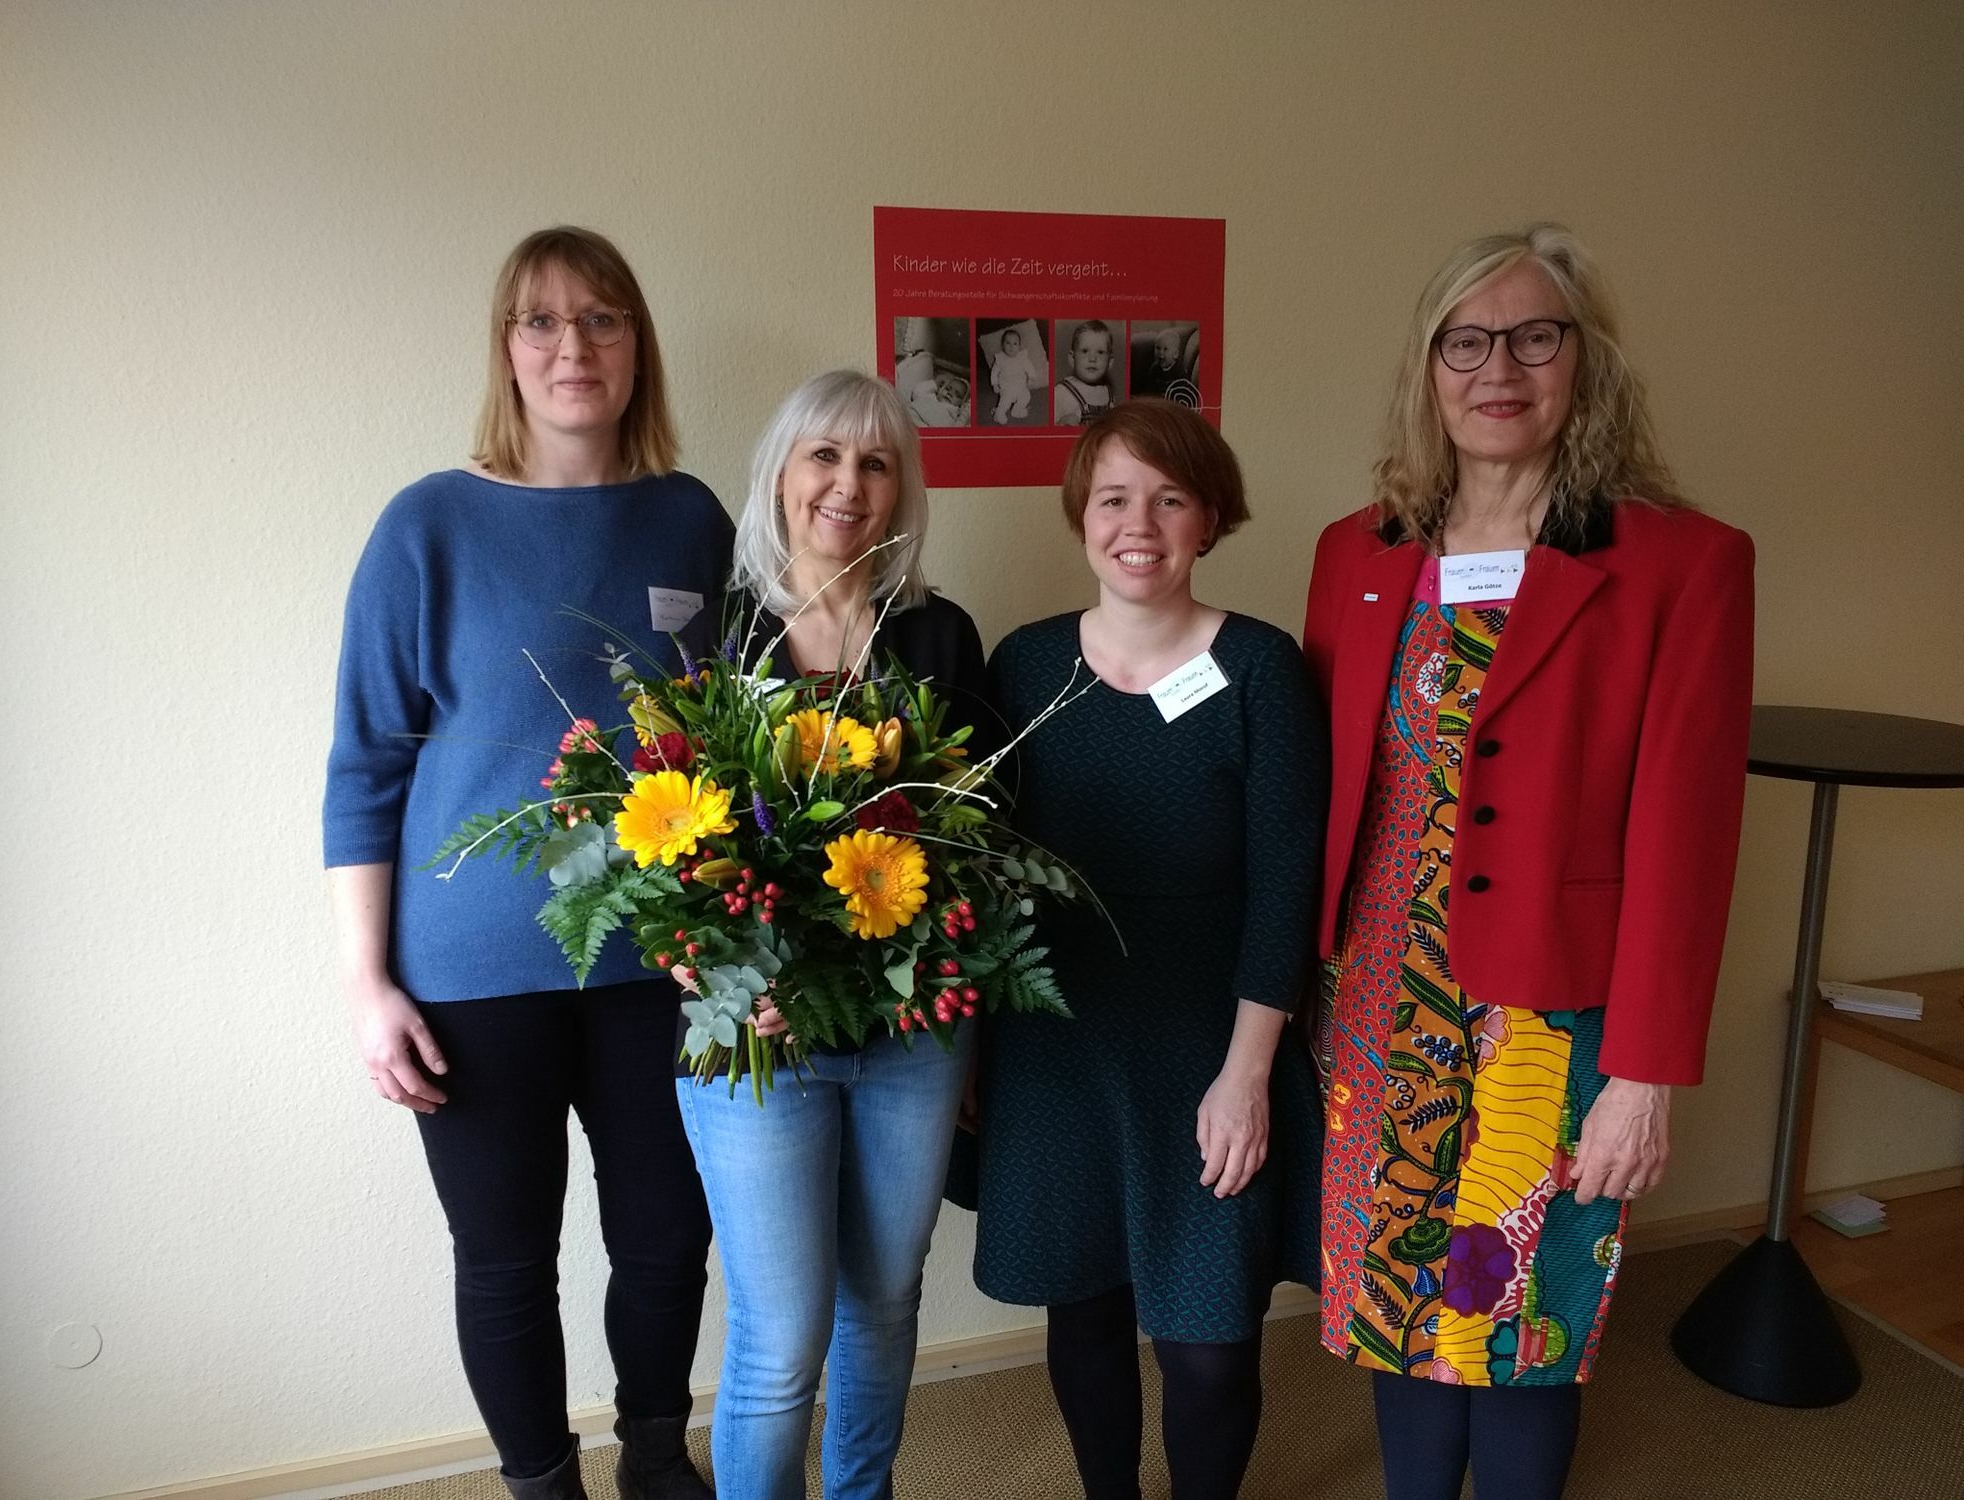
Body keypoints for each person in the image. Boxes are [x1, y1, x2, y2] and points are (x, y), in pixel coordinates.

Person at [1303, 223, 1754, 1500]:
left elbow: (1688, 841)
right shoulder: (1357, 552)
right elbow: (1321, 798)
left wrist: (1642, 1076)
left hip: (1552, 1027)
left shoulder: (1680, 564)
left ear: (1584, 362)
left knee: (1517, 1324)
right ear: (1427, 368)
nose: (1497, 369)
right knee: (1393, 1305)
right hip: (1377, 1009)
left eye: (1533, 337)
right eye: (1465, 342)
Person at [324, 226, 731, 1500]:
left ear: (636, 345)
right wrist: (367, 984)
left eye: (602, 319)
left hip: (663, 959)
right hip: (472, 973)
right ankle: (540, 1484)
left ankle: (654, 1457)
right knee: (504, 1262)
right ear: (506, 348)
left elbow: (734, 736)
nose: (573, 347)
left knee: (667, 1242)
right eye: (542, 321)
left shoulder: (689, 518)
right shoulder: (426, 526)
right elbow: (364, 764)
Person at [973, 399, 1328, 1499]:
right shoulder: (1023, 664)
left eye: (1170, 499)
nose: (1139, 524)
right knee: (1083, 1310)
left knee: (1207, 1343)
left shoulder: (1262, 668)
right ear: (1081, 515)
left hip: (1209, 1045)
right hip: (1055, 1040)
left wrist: (1247, 1076)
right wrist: (974, 1052)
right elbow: (979, 871)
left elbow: (1286, 885)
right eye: (1114, 498)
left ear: (1209, 519)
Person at [677, 369, 990, 1500]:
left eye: (874, 462)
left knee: (885, 1301)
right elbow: (662, 847)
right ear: (781, 475)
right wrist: (721, 967)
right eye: (824, 456)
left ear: (901, 489)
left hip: (909, 1042)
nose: (847, 484)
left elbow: (979, 850)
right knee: (780, 1338)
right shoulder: (717, 632)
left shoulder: (939, 636)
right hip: (757, 1041)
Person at [1054, 320, 1118, 426]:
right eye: (1084, 351)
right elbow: (1046, 430)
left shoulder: (1109, 394)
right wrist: (1060, 424)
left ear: (1110, 362)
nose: (1092, 358)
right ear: (1072, 359)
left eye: (1100, 352)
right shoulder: (1061, 392)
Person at [990, 325, 1033, 424]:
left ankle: (1017, 410)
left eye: (1015, 343)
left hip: (1020, 387)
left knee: (1026, 396)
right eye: (1008, 343)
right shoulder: (1000, 359)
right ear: (1003, 345)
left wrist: (1031, 377)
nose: (1011, 346)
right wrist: (995, 384)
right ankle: (999, 414)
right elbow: (994, 372)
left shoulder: (1022, 358)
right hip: (1006, 388)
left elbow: (1029, 367)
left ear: (1019, 346)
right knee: (1005, 401)